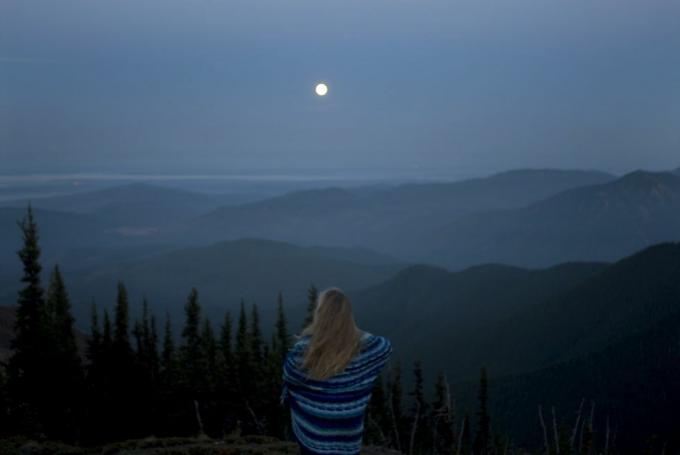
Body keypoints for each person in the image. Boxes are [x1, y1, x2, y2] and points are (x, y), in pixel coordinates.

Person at [281, 287, 393, 455]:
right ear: (348, 316)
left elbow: (289, 378)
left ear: (320, 314)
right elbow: (385, 346)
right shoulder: (368, 350)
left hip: (312, 437)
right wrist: (356, 335)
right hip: (349, 440)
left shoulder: (302, 352)